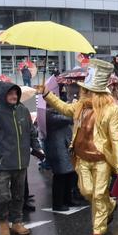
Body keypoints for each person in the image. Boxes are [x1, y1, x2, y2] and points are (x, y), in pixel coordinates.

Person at [42, 59, 118, 235]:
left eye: (89, 90)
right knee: (86, 191)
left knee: (98, 194)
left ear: (99, 92)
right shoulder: (81, 106)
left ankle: (99, 228)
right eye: (85, 90)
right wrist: (47, 94)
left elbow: (116, 139)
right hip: (81, 158)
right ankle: (110, 205)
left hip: (101, 159)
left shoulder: (111, 109)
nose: (85, 93)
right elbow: (65, 108)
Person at [0, 82, 43, 235]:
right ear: (3, 95)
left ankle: (17, 222)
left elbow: (32, 132)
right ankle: (2, 221)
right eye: (10, 93)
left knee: (19, 195)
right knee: (3, 196)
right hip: (2, 164)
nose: (14, 96)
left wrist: (37, 148)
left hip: (21, 162)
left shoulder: (23, 110)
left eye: (15, 93)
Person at [43, 78, 76, 212]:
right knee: (60, 175)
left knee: (69, 174)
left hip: (65, 146)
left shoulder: (56, 111)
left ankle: (68, 199)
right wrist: (72, 107)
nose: (55, 98)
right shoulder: (47, 114)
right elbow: (68, 118)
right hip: (56, 148)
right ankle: (58, 203)